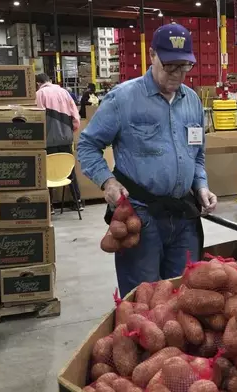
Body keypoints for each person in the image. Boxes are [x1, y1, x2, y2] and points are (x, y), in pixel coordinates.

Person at [77, 23, 218, 297]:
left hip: (183, 217)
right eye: (170, 66)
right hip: (141, 219)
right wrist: (107, 182)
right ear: (152, 55)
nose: (177, 74)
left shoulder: (192, 102)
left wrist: (201, 185)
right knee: (144, 301)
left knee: (184, 298)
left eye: (184, 67)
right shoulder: (123, 99)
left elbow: (197, 153)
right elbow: (87, 144)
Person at [35, 73, 83, 212]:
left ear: (38, 83)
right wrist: (69, 132)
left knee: (46, 172)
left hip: (47, 141)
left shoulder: (40, 94)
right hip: (66, 139)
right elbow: (76, 118)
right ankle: (78, 201)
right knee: (69, 170)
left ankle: (49, 206)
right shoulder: (65, 92)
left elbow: (37, 118)